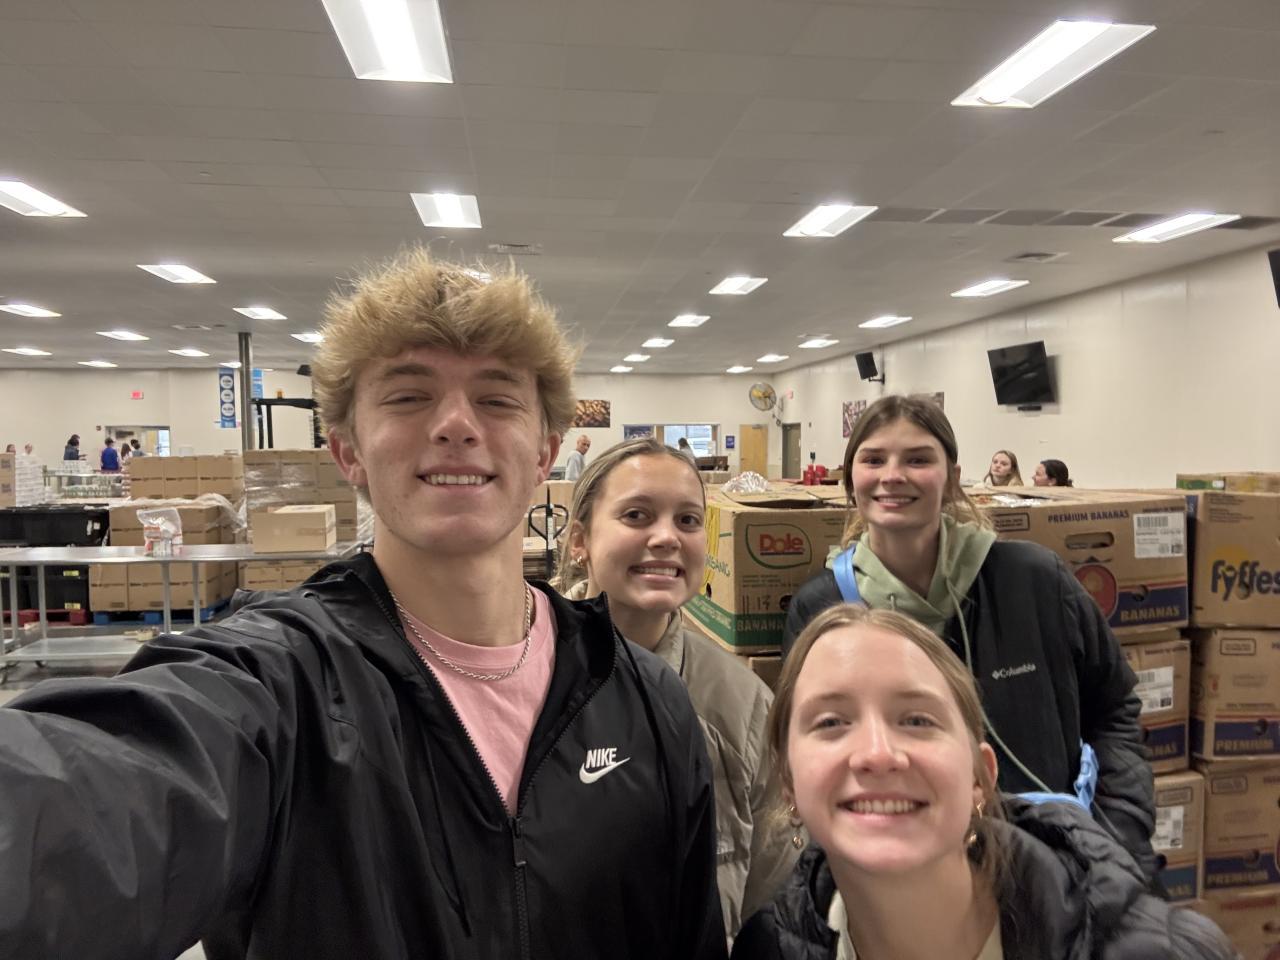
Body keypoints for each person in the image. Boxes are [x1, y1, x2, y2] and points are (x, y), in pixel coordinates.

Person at [0, 249, 726, 960]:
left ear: (544, 452)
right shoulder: (280, 689)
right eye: (409, 396)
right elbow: (97, 795)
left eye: (497, 398)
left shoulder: (644, 699)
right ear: (348, 452)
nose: (456, 424)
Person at [781, 395, 1155, 877]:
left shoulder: (1034, 579)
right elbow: (803, 746)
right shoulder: (823, 605)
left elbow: (1114, 708)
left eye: (918, 459)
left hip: (1050, 867)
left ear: (952, 479)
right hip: (896, 872)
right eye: (873, 459)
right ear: (850, 480)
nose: (893, 475)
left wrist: (1119, 837)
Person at [732, 604, 1235, 960]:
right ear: (788, 783)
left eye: (917, 720)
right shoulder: (768, 949)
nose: (878, 754)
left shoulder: (1163, 950)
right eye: (831, 723)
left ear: (981, 777)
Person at [553, 438, 798, 940]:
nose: (667, 538)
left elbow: (773, 907)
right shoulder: (522, 682)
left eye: (687, 520)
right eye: (637, 515)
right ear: (580, 540)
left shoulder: (744, 706)